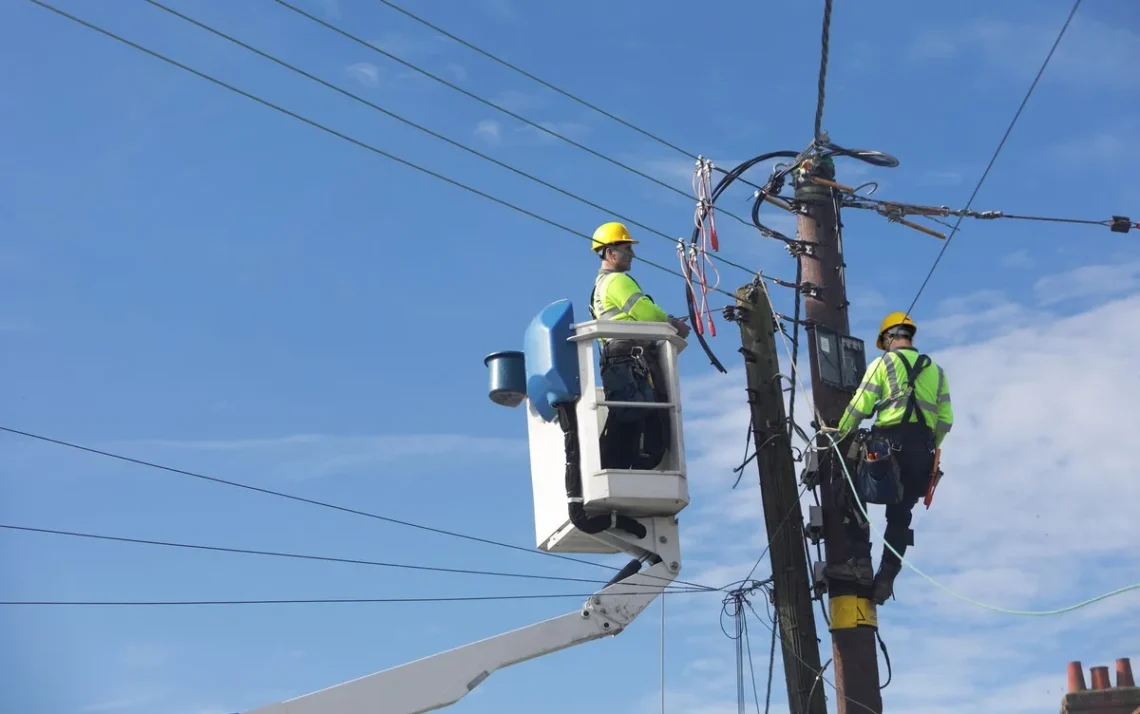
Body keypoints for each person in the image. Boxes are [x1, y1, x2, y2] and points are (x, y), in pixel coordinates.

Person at [833, 311, 954, 605]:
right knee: (900, 516)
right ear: (909, 337)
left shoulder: (883, 363)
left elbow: (860, 405)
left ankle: (860, 561)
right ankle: (887, 575)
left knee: (849, 486)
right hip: (922, 455)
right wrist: (928, 445)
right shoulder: (936, 371)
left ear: (888, 338)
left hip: (887, 449)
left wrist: (838, 434)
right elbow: (946, 420)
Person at [588, 221, 691, 470]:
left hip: (618, 361)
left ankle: (617, 468)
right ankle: (625, 467)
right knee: (644, 420)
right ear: (611, 253)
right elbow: (647, 313)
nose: (632, 255)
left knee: (628, 420)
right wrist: (673, 324)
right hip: (630, 360)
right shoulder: (617, 281)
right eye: (627, 249)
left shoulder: (599, 287)